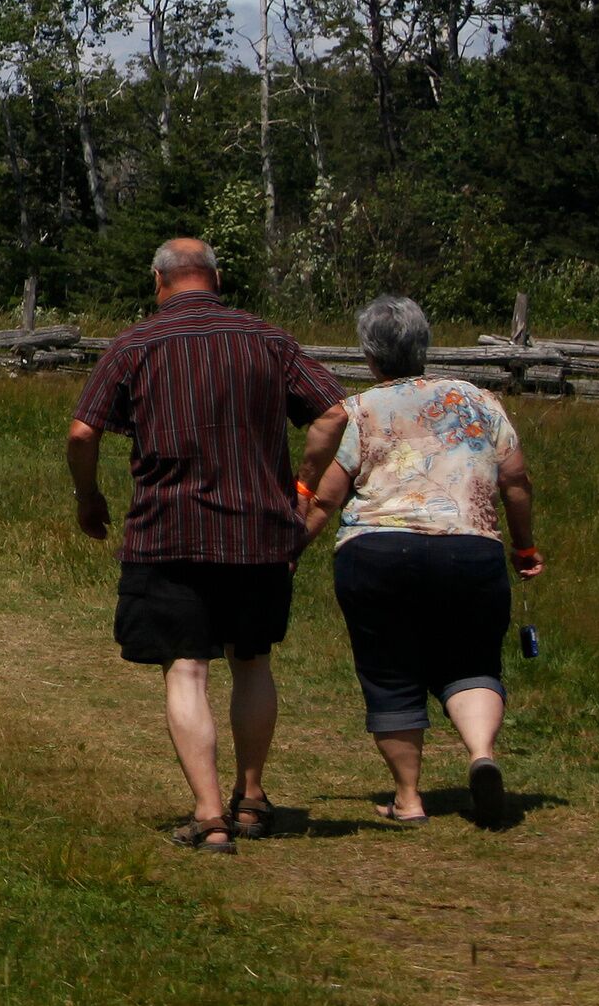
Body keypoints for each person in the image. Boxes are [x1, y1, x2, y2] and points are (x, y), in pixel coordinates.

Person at [67, 238, 349, 852]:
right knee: (252, 661)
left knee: (187, 669)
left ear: (159, 281)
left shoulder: (136, 343)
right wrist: (301, 483)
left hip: (170, 530)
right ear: (215, 278)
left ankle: (209, 813)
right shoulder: (268, 340)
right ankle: (251, 798)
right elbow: (333, 413)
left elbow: (83, 430)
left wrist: (89, 498)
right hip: (258, 531)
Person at [301, 296, 542, 826]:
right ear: (423, 345)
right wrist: (523, 548)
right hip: (470, 549)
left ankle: (409, 799)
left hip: (376, 553)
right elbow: (516, 482)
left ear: (370, 355)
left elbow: (326, 498)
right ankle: (481, 754)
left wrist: (290, 551)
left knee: (389, 670)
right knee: (472, 661)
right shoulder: (481, 400)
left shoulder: (360, 410)